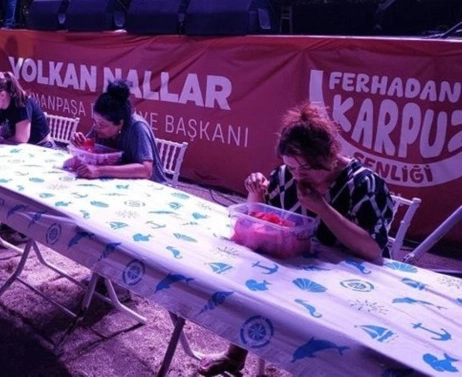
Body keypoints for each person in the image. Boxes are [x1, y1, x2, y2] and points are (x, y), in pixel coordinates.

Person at [198, 101, 394, 376]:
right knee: (253, 278)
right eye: (291, 167)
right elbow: (264, 225)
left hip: (352, 284)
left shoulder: (363, 183)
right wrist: (256, 194)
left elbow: (373, 250)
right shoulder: (284, 177)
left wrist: (322, 208)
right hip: (302, 271)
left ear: (330, 154)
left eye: (308, 168)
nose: (299, 176)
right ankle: (235, 354)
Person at [69, 79, 167, 183]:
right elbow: (88, 149)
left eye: (102, 125)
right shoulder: (98, 126)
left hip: (150, 186)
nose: (96, 127)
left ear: (120, 123)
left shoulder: (137, 127)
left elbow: (146, 170)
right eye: (94, 121)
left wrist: (99, 170)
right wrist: (79, 142)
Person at [0, 70, 54, 146]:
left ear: (2, 95)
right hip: (16, 146)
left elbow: (21, 139)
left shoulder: (21, 104)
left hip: (41, 146)